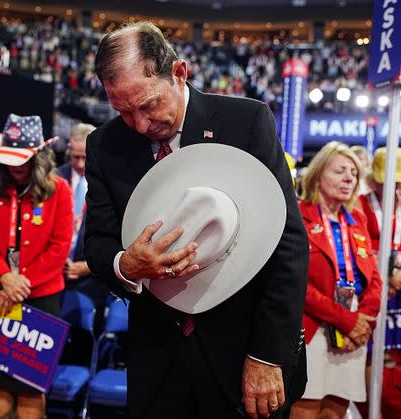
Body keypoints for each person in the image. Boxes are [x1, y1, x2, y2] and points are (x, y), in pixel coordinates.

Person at [84, 22, 308, 418]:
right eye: (122, 111)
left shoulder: (247, 122)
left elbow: (287, 245)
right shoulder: (105, 144)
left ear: (179, 72)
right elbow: (99, 243)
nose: (139, 124)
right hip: (157, 363)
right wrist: (125, 265)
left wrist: (268, 355)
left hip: (244, 356)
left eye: (149, 104)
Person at [0, 114, 73, 419]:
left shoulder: (60, 190)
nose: (16, 167)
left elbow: (59, 246)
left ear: (39, 157)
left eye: (23, 160)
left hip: (40, 297)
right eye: (10, 160)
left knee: (31, 387)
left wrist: (21, 283)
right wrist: (4, 277)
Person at [291, 141, 382, 418]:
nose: (349, 178)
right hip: (313, 330)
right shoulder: (299, 215)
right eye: (340, 170)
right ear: (318, 174)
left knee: (335, 413)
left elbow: (374, 277)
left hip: (352, 336)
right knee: (305, 411)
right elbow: (296, 284)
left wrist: (365, 320)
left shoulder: (356, 218)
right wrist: (347, 320)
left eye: (354, 173)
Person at [356, 147, 401, 417]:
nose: (393, 187)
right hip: (370, 296)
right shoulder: (360, 206)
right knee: (371, 355)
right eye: (388, 181)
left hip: (398, 298)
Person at [57, 123, 108, 330]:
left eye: (84, 158)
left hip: (91, 280)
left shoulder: (108, 183)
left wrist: (89, 267)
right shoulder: (53, 178)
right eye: (74, 157)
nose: (79, 164)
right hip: (54, 275)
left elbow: (117, 234)